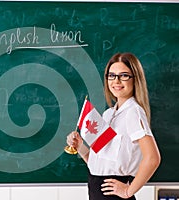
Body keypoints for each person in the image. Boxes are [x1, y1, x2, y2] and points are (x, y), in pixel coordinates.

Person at [66, 52, 161, 199]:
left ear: (135, 79)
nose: (116, 81)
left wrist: (128, 191)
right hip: (96, 191)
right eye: (111, 75)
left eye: (124, 75)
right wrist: (80, 146)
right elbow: (98, 163)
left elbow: (153, 158)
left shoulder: (133, 112)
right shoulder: (108, 114)